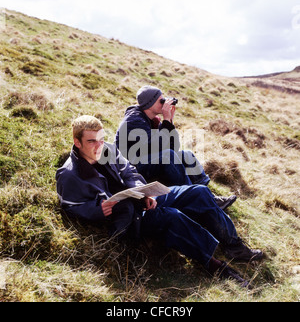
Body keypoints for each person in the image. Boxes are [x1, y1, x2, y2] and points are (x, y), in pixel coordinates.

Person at [56, 115, 264, 288]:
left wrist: (145, 192)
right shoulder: (68, 174)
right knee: (172, 217)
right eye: (92, 141)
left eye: (101, 139)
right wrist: (97, 210)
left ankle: (234, 247)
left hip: (139, 198)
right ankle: (214, 265)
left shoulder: (107, 149)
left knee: (199, 191)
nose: (99, 145)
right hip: (126, 218)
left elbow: (129, 171)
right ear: (77, 142)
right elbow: (70, 207)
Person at [115, 85, 236, 210]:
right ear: (150, 103)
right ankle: (197, 197)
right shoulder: (134, 120)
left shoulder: (152, 120)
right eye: (161, 100)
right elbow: (156, 147)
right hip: (132, 169)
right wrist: (166, 121)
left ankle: (208, 195)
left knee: (186, 155)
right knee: (168, 156)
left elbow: (174, 147)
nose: (164, 103)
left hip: (146, 160)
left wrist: (170, 122)